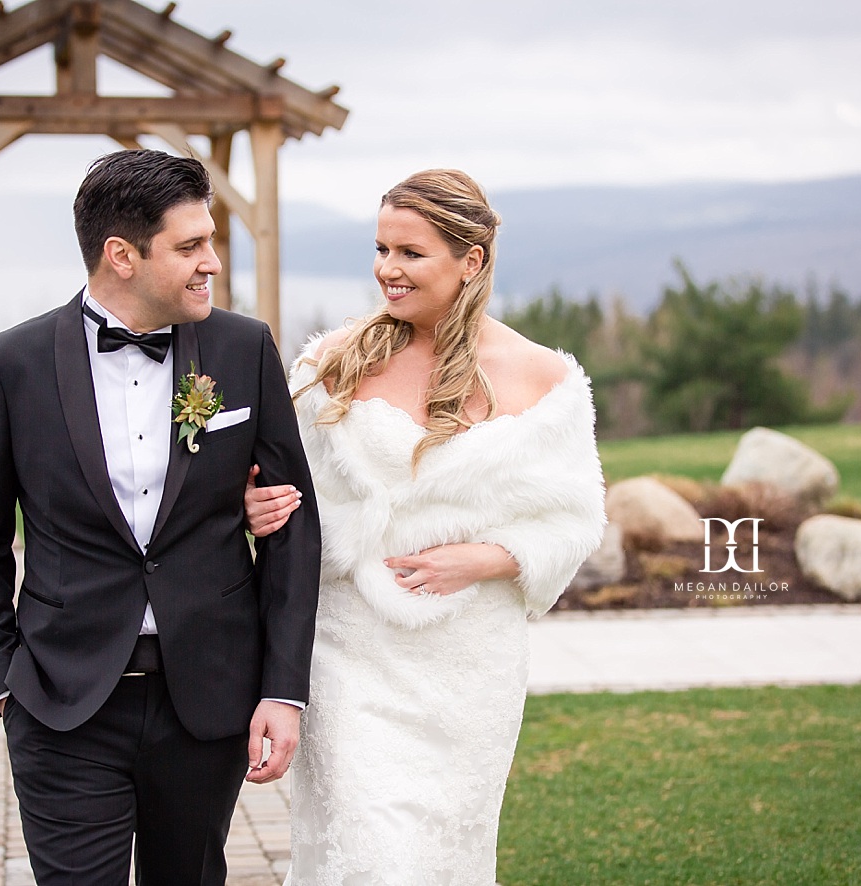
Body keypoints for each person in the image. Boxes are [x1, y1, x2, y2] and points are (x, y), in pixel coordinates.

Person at [0, 149, 321, 886]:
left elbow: (292, 526)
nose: (210, 262)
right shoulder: (9, 363)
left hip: (205, 699)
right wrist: (2, 679)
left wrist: (281, 688)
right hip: (61, 703)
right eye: (189, 247)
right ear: (121, 255)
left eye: (208, 240)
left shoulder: (244, 349)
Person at [244, 169, 606, 884]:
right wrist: (254, 512)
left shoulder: (545, 380)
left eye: (410, 253)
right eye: (380, 249)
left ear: (469, 261)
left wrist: (484, 558)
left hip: (468, 664)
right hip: (351, 651)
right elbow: (284, 492)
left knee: (444, 857)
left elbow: (574, 519)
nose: (387, 270)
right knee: (370, 854)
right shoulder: (331, 364)